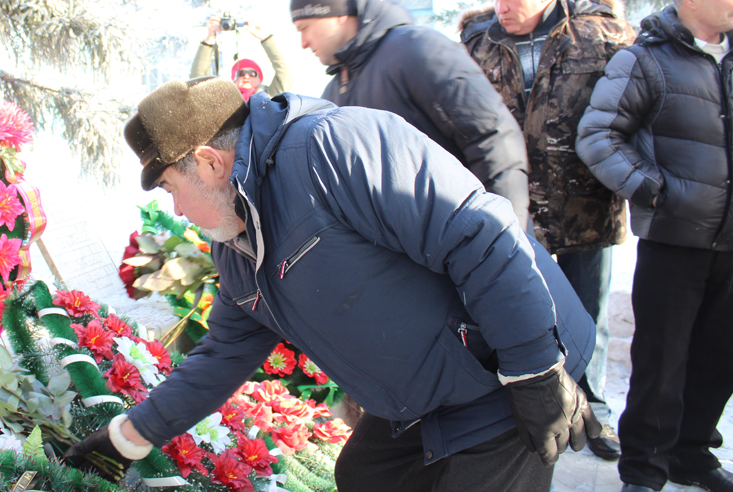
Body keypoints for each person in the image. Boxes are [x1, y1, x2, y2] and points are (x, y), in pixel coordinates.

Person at [68, 76, 601, 491]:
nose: (178, 212)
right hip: (425, 396)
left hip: (503, 372)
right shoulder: (235, 245)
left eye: (170, 190)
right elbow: (224, 353)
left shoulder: (331, 149)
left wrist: (534, 368)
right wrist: (128, 439)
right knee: (367, 478)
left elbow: (481, 234)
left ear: (209, 162)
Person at [459, 0, 636, 461]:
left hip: (586, 202)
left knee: (589, 309)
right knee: (518, 303)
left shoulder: (604, 38)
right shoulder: (477, 44)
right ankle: (532, 401)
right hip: (511, 205)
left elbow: (637, 108)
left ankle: (593, 409)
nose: (500, 8)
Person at [576, 0, 733, 492]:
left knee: (721, 354)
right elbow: (598, 136)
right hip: (676, 238)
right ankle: (644, 469)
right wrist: (655, 191)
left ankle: (693, 456)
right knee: (661, 361)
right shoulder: (644, 60)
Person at [290, 0, 531, 229]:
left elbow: (493, 139)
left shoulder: (417, 50)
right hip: (412, 258)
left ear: (336, 15)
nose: (303, 42)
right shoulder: (334, 93)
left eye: (305, 27)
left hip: (472, 242)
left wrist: (505, 236)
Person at [189, 16, 293, 101]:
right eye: (241, 73)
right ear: (234, 80)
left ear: (260, 79)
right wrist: (209, 39)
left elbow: (285, 71)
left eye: (253, 73)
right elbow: (197, 82)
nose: (246, 76)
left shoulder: (271, 97)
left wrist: (265, 37)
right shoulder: (222, 101)